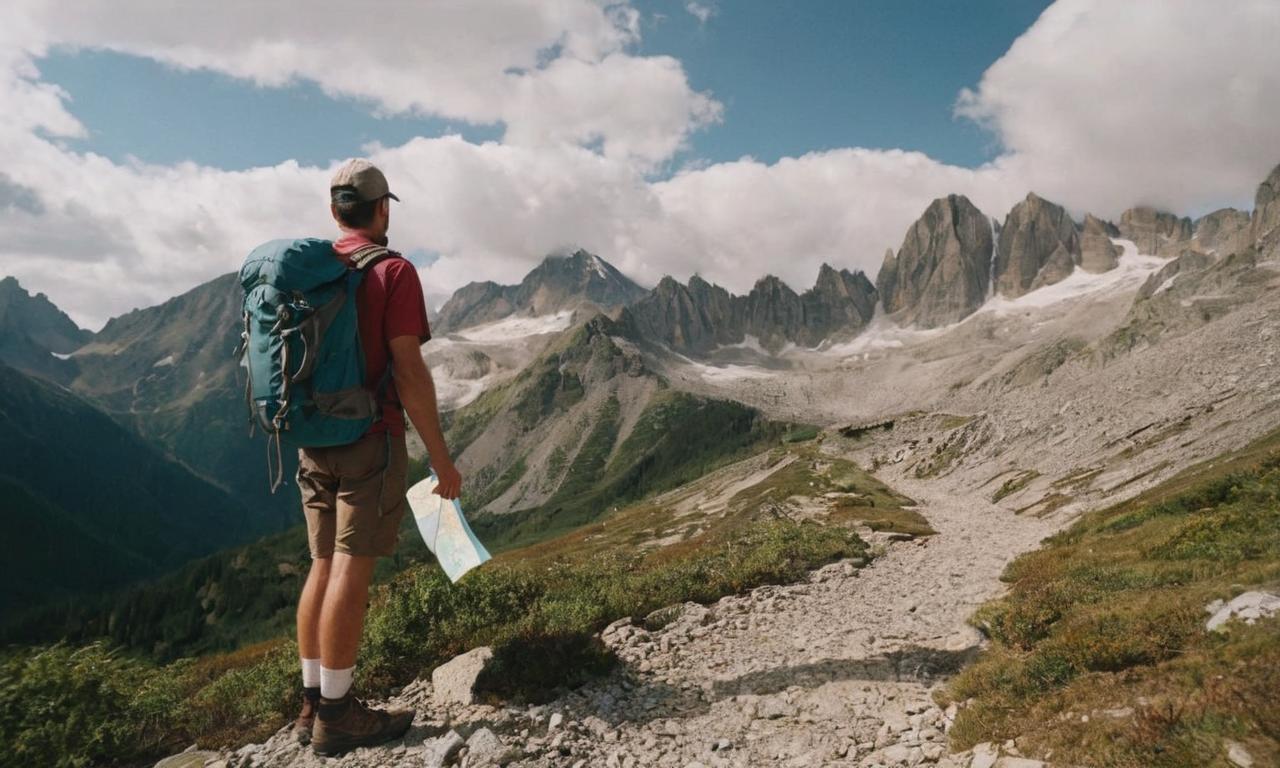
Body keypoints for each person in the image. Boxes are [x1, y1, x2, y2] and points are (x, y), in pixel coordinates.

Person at [291, 158, 463, 756]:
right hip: (371, 436)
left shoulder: (313, 270)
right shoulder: (393, 272)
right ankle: (337, 716)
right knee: (351, 568)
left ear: (335, 211)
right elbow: (409, 370)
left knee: (320, 563)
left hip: (314, 440)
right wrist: (441, 459)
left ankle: (311, 700)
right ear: (382, 208)